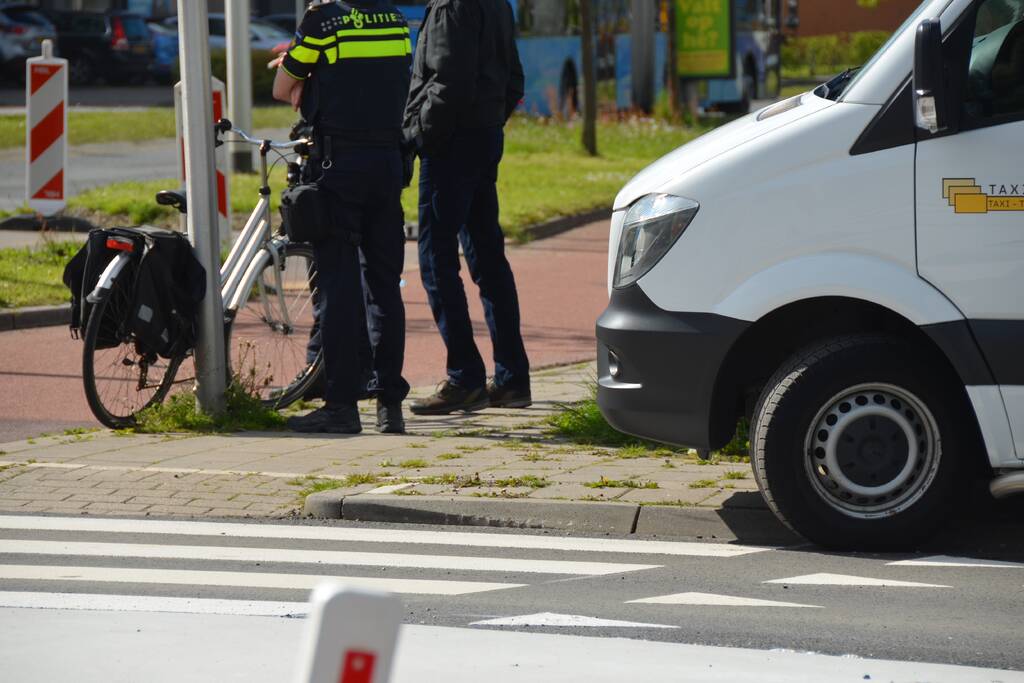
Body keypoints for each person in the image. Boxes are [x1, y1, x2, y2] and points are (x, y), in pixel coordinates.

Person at [272, 0, 412, 434]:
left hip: (338, 170)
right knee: (385, 287)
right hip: (388, 166)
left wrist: (303, 75)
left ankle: (342, 407)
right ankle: (390, 406)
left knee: (338, 287)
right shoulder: (396, 20)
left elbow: (281, 89)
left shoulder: (323, 22)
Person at [403, 0, 531, 416]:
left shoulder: (449, 7)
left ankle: (465, 377)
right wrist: (490, 119)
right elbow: (514, 79)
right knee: (487, 257)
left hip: (451, 143)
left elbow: (447, 82)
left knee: (436, 260)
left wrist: (420, 133)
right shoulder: (496, 5)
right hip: (483, 134)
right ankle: (512, 379)